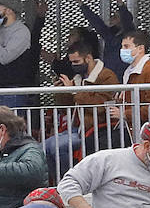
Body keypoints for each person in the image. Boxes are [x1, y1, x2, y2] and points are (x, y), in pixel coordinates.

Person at [44, 40, 120, 172]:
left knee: (57, 146)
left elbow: (101, 105)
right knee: (43, 147)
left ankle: (67, 181)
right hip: (78, 128)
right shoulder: (78, 78)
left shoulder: (107, 77)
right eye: (71, 62)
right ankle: (55, 182)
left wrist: (74, 91)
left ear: (88, 58)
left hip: (95, 129)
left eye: (76, 62)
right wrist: (62, 92)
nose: (73, 66)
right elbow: (67, 106)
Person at [110, 29, 150, 139]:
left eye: (126, 46)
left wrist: (124, 114)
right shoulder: (130, 71)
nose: (122, 50)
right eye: (122, 46)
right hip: (136, 128)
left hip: (149, 132)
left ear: (140, 49)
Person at [0, 0, 35, 107]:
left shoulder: (21, 31)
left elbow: (4, 58)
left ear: (9, 10)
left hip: (14, 91)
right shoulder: (0, 32)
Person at [72, 0, 136, 78]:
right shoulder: (109, 35)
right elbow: (96, 22)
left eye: (116, 16)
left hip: (124, 76)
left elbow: (127, 20)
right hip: (109, 76)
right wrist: (81, 3)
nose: (112, 18)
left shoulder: (129, 34)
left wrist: (120, 2)